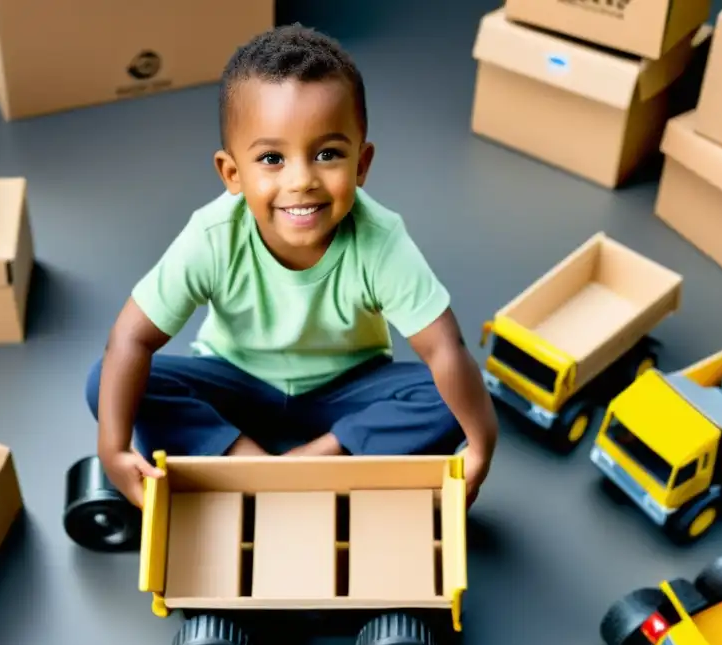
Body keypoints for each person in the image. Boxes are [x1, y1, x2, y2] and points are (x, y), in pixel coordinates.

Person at [87, 24, 498, 510]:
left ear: (361, 164)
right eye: (272, 158)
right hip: (236, 382)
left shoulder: (379, 240)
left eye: (327, 154)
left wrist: (481, 442)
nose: (302, 180)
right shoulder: (213, 235)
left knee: (453, 395)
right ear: (232, 173)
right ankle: (250, 460)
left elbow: (446, 348)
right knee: (107, 380)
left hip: (344, 391)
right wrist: (112, 450)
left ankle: (317, 456)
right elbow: (131, 338)